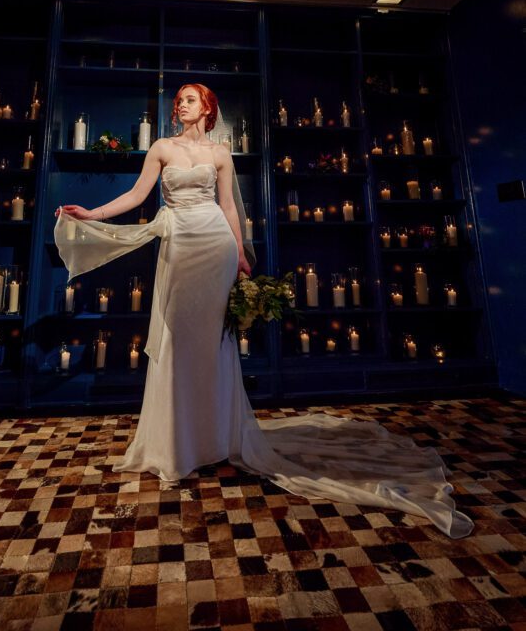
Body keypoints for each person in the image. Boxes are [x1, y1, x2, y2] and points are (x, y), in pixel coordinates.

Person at [55, 84, 473, 538]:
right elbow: (137, 196)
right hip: (178, 247)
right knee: (178, 340)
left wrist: (238, 256)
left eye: (189, 98)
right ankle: (177, 444)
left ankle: (218, 437)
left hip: (214, 246)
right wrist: (93, 214)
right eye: (178, 99)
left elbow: (230, 207)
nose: (181, 104)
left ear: (208, 107)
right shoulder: (161, 147)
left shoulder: (220, 154)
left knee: (216, 342)